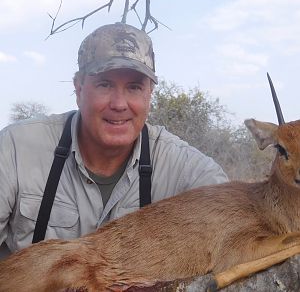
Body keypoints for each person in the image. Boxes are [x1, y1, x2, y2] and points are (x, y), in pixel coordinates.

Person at [0, 23, 228, 258]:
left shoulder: (186, 169)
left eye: (134, 87)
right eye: (105, 84)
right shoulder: (15, 149)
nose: (119, 104)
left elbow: (235, 219)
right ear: (78, 89)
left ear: (149, 94)